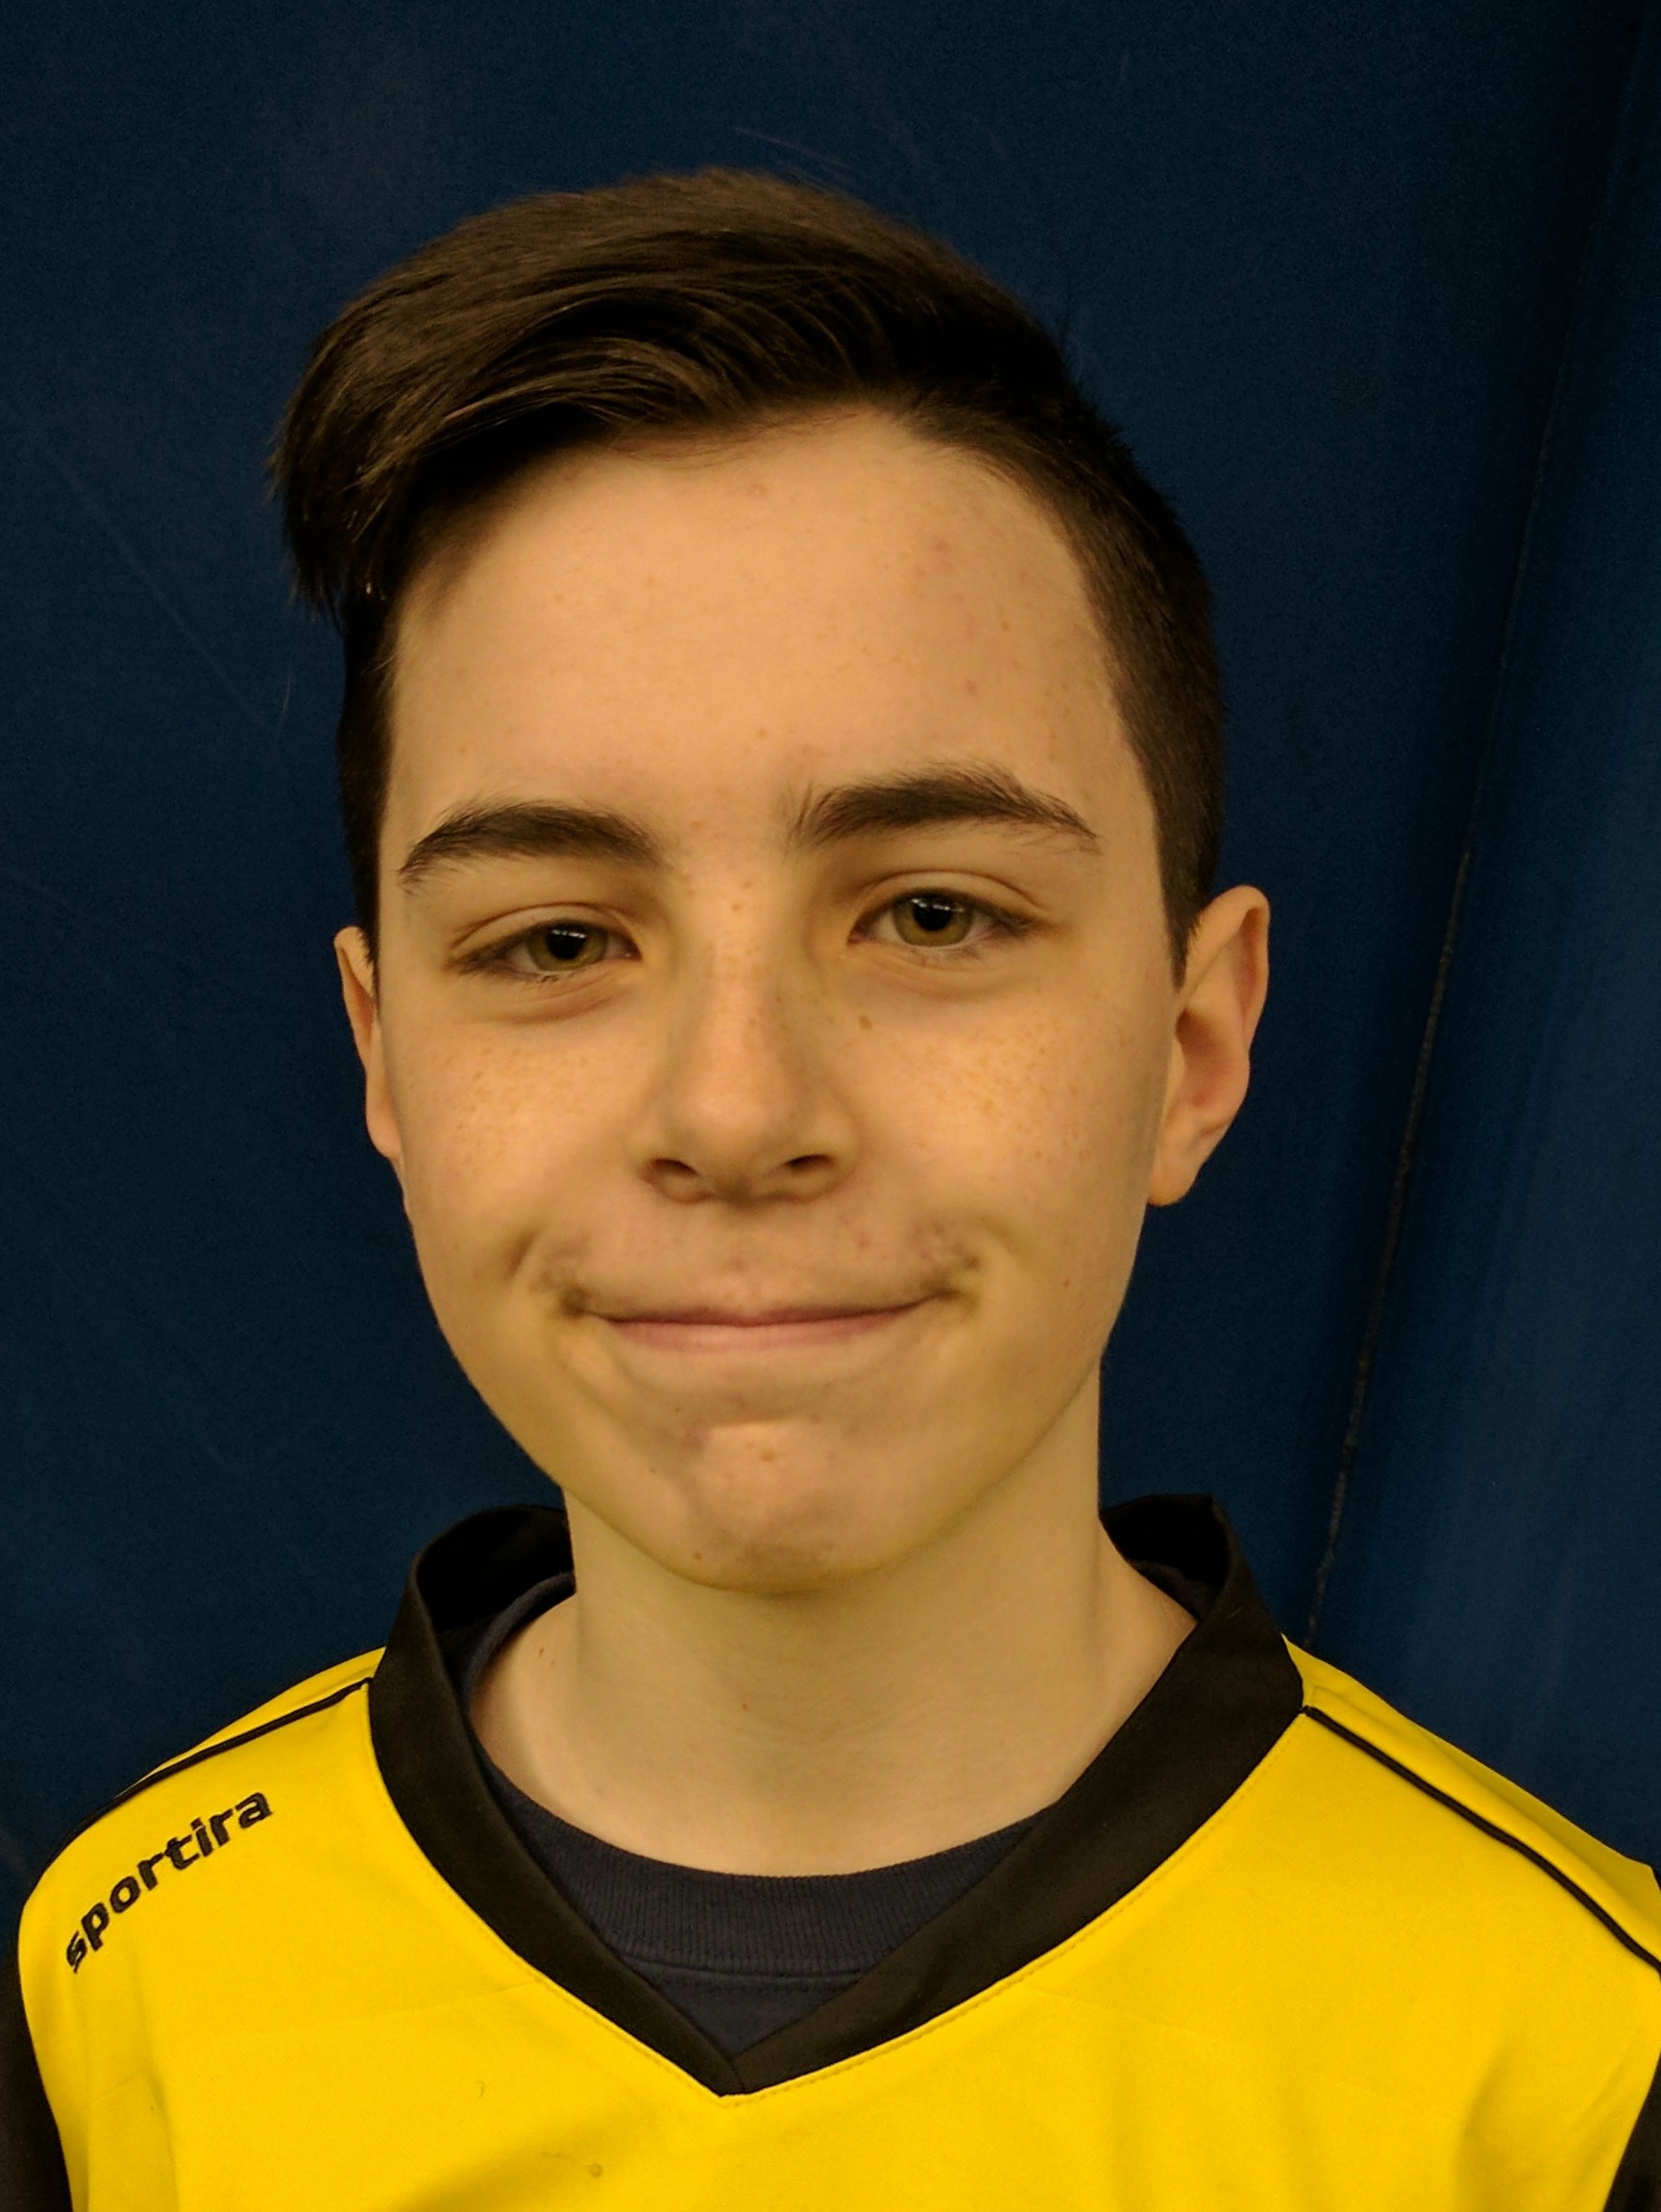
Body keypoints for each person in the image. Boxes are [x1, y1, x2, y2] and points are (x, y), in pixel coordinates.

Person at [4, 169, 1658, 2212]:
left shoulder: (1575, 2072)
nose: (734, 1107)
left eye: (932, 913)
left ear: (1192, 1044)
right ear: (384, 1059)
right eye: (554, 940)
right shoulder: (123, 1988)